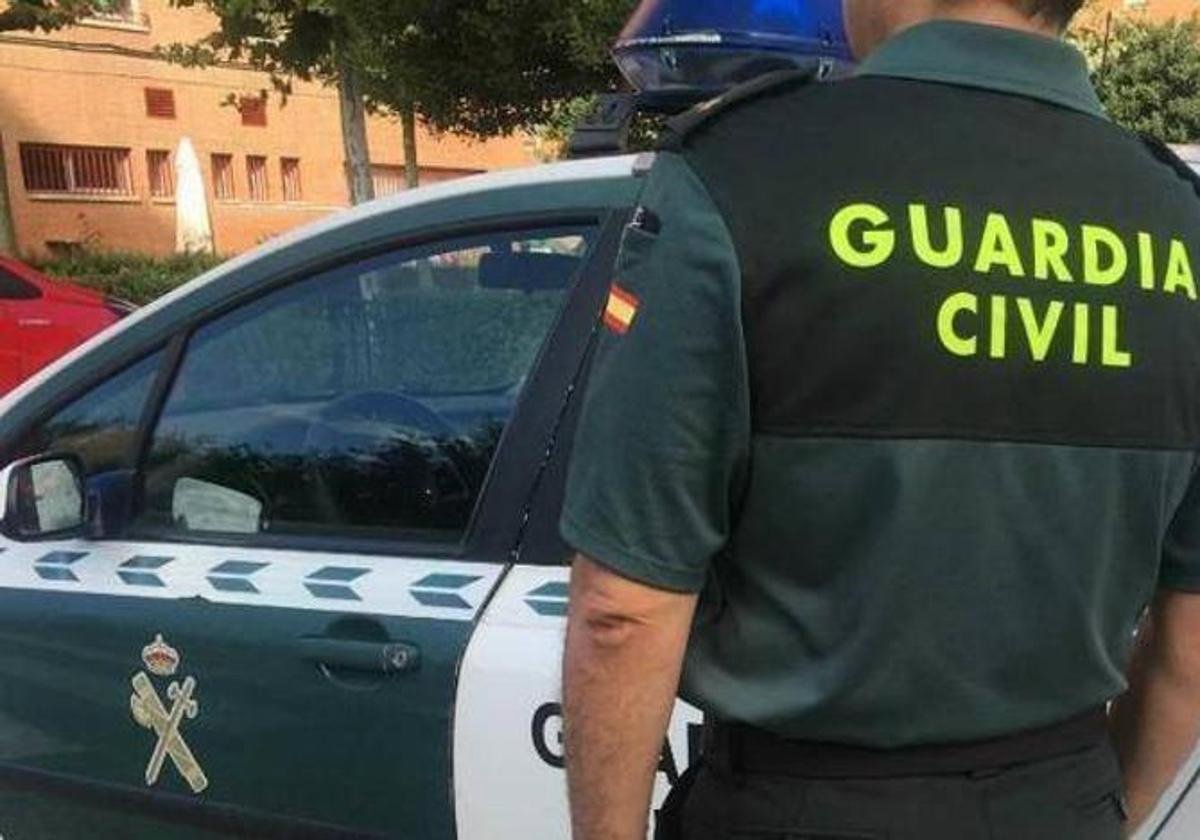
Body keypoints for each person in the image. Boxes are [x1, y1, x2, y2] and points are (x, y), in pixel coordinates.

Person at [559, 1, 1200, 838]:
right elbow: (1189, 646)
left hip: (798, 807)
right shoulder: (1179, 220)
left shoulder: (747, 169)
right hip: (1060, 801)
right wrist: (1096, 815)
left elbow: (622, 612)